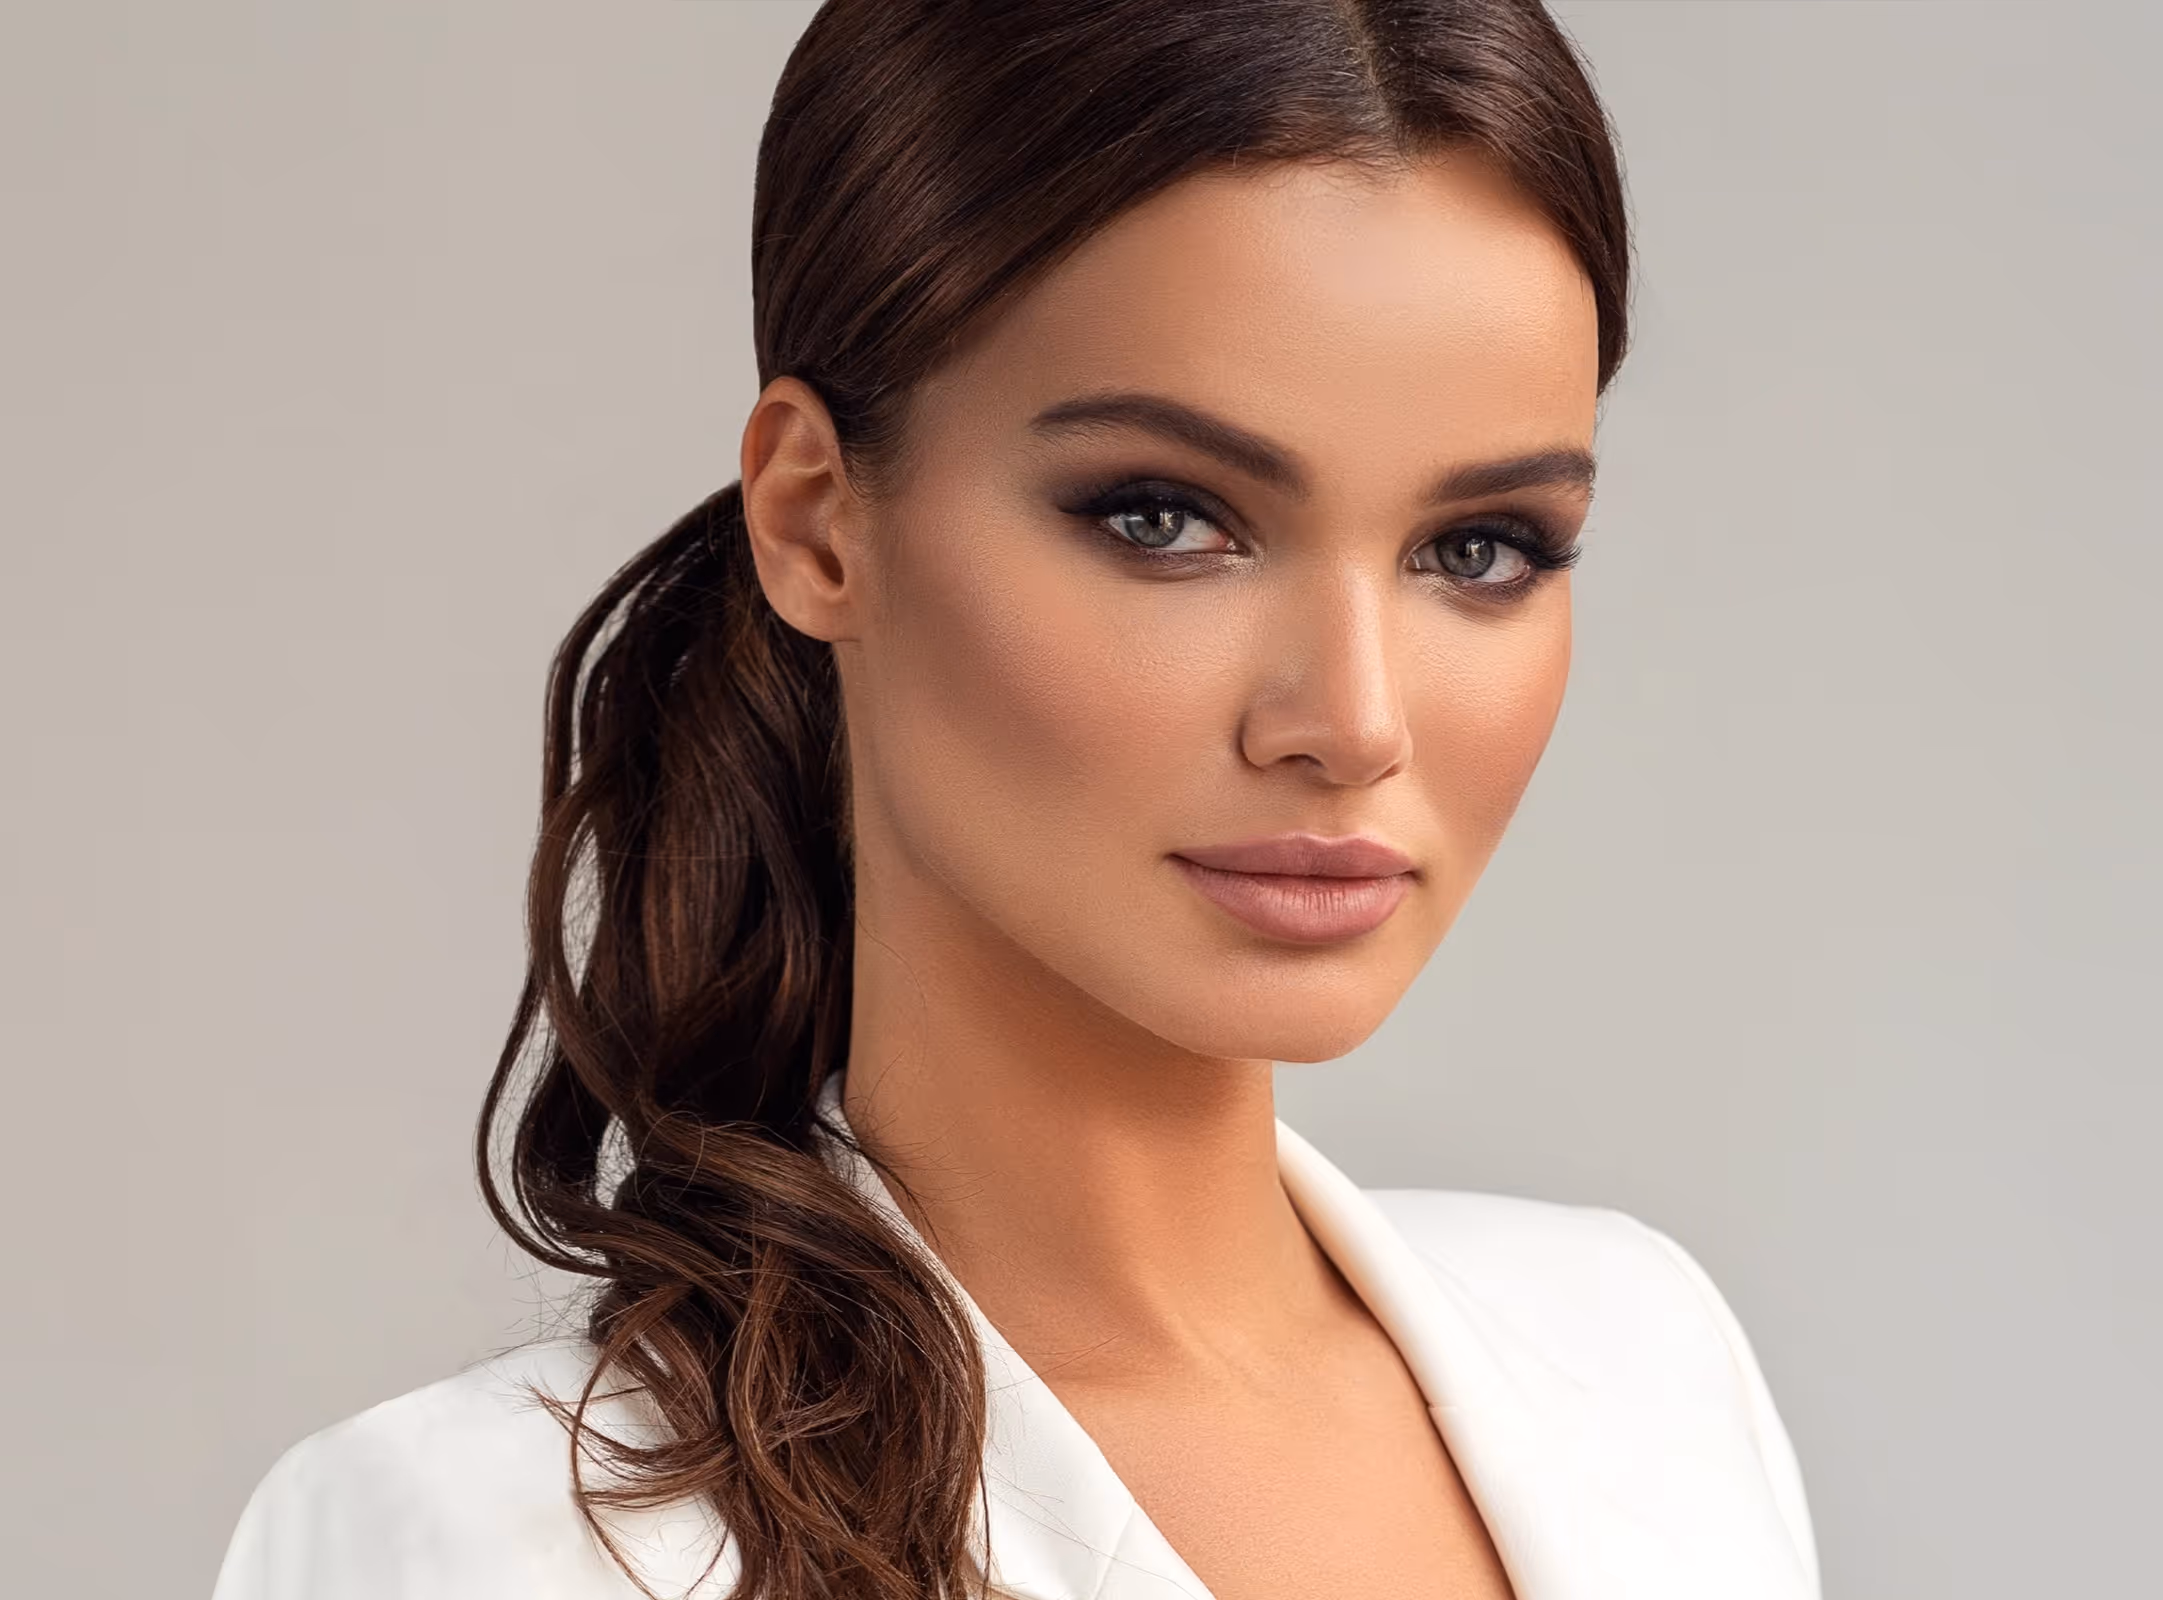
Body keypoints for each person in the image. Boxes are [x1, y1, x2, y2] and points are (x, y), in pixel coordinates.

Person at [210, 2, 1820, 1597]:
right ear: (817, 522)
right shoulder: (490, 1544)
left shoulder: (1646, 1365)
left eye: (1481, 548)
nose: (1353, 721)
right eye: (1162, 518)